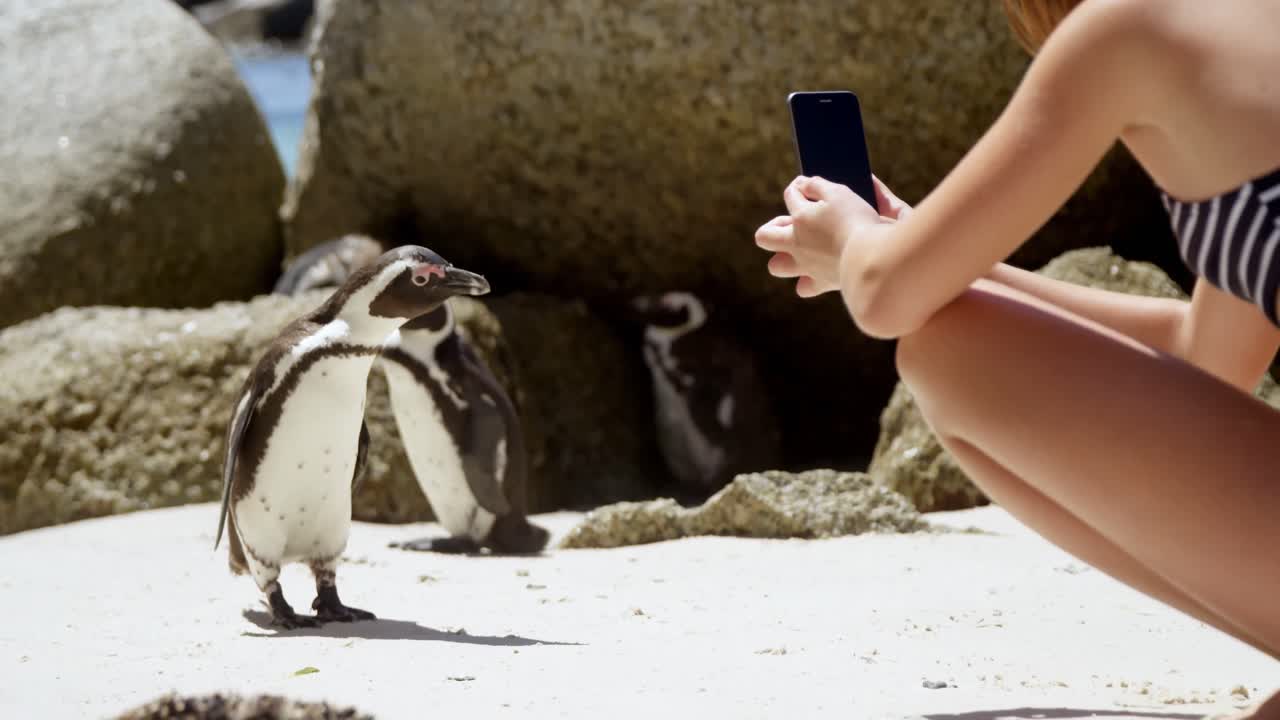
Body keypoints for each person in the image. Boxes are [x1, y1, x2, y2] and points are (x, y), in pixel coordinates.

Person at [754, 0, 1280, 717]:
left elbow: (884, 298)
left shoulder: (1128, 27)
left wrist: (855, 244)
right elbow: (1206, 356)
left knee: (947, 354)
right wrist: (928, 252)